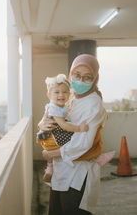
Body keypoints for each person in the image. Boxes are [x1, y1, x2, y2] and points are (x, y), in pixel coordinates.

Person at [38, 54, 115, 215]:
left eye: (87, 77)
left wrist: (50, 153)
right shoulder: (70, 96)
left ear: (95, 79)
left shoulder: (93, 104)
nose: (80, 80)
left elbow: (82, 144)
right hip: (61, 172)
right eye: (77, 75)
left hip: (78, 176)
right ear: (70, 74)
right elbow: (54, 117)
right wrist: (42, 125)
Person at [36, 73, 89, 182]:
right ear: (49, 95)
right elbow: (64, 125)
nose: (61, 95)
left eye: (65, 92)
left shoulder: (59, 106)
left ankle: (50, 168)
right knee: (78, 139)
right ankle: (93, 160)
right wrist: (79, 128)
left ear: (69, 94)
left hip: (48, 137)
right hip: (53, 138)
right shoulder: (54, 108)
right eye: (57, 92)